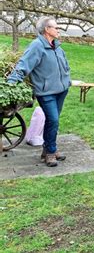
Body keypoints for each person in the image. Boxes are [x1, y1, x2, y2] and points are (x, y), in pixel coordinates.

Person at [7, 16, 70, 167]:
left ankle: (48, 150)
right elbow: (24, 65)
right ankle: (49, 153)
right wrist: (10, 84)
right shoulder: (37, 46)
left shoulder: (57, 46)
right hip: (46, 92)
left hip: (61, 90)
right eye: (56, 27)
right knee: (53, 120)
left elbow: (65, 64)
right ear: (47, 30)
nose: (58, 30)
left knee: (52, 122)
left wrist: (68, 79)